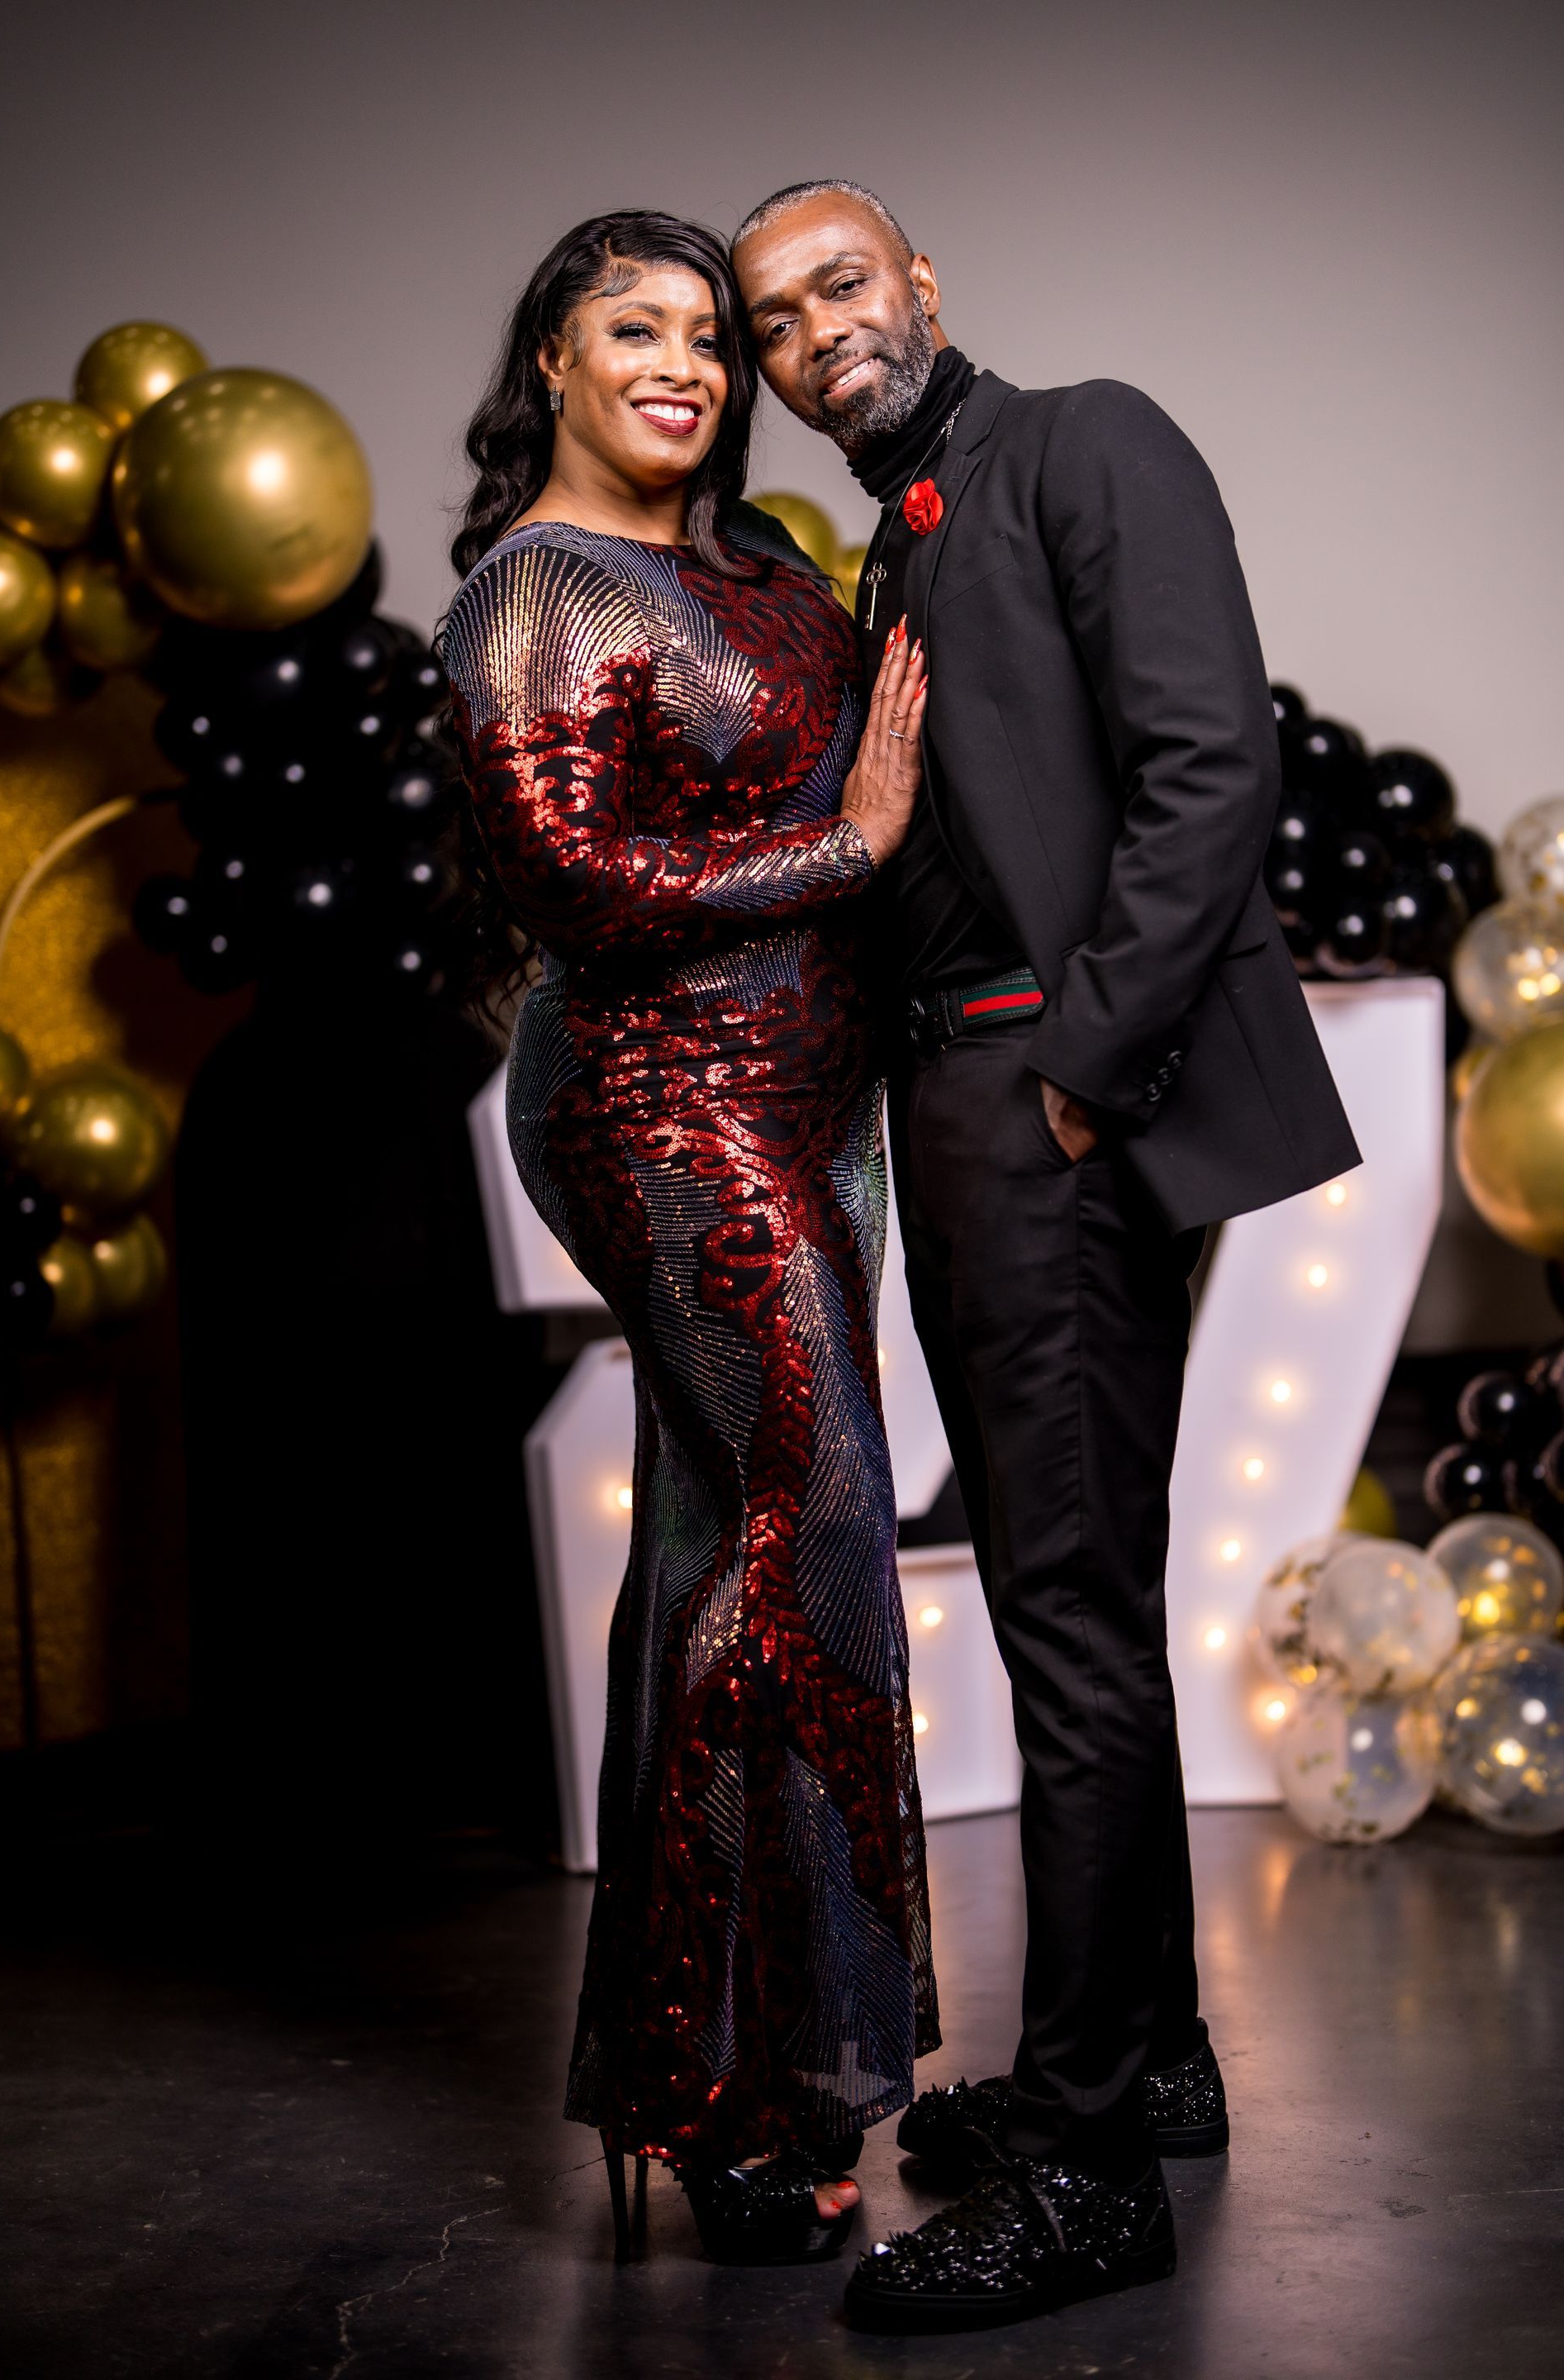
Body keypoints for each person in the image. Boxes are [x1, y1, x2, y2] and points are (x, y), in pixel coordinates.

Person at [734, 180, 1360, 2332]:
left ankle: (1091, 2174)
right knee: (1061, 1600)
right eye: (774, 320)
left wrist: (1085, 1071)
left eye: (842, 285)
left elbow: (1212, 760)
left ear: (922, 284)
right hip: (963, 1103)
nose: (815, 334)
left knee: (1069, 1627)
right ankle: (1148, 2058)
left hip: (1049, 1098)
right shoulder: (896, 538)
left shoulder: (1085, 436)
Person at [440, 212, 939, 2268]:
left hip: (820, 1099)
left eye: (710, 338)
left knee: (727, 1547)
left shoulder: (761, 565)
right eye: (632, 329)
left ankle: (719, 2072)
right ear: (552, 362)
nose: (687, 366)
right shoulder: (537, 588)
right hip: (658, 1104)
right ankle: (748, 2093)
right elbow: (574, 883)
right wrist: (854, 843)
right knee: (808, 1530)